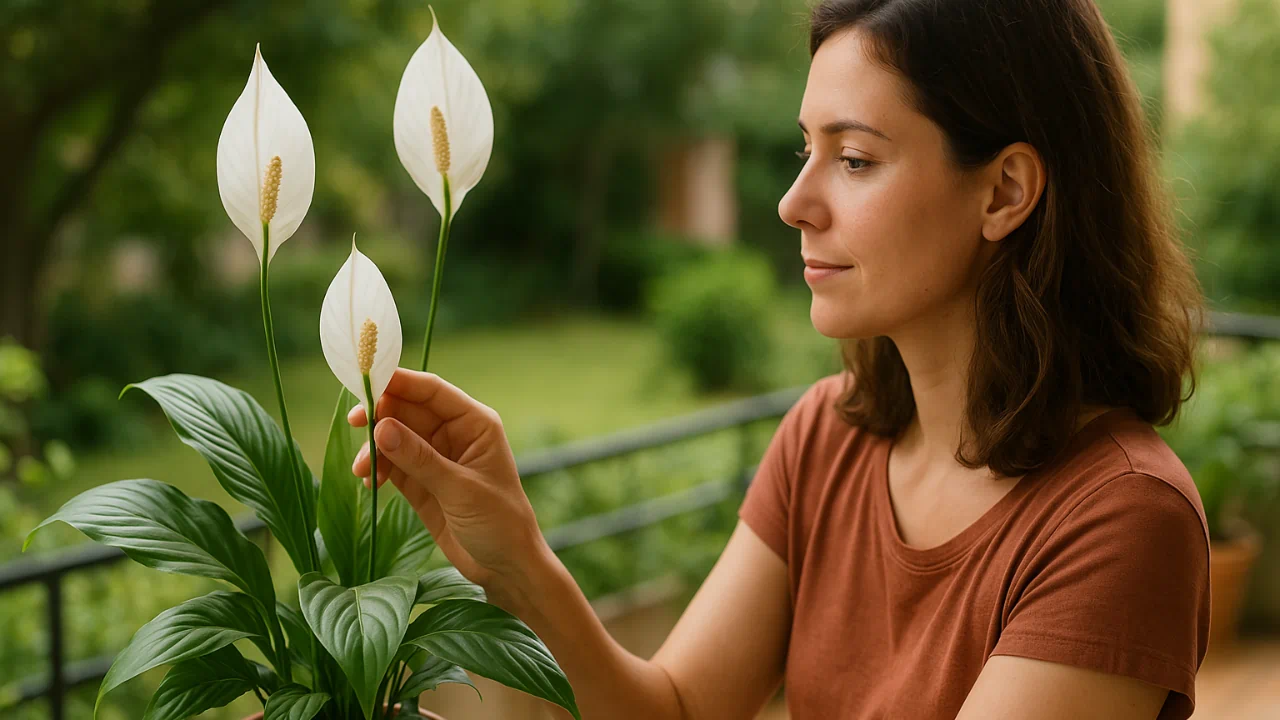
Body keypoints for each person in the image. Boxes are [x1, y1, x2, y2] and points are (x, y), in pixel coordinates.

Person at [349, 0, 1211, 717]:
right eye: (808, 148)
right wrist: (517, 561)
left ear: (1005, 191)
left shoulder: (1121, 519)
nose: (794, 201)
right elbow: (678, 710)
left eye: (855, 158)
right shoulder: (827, 438)